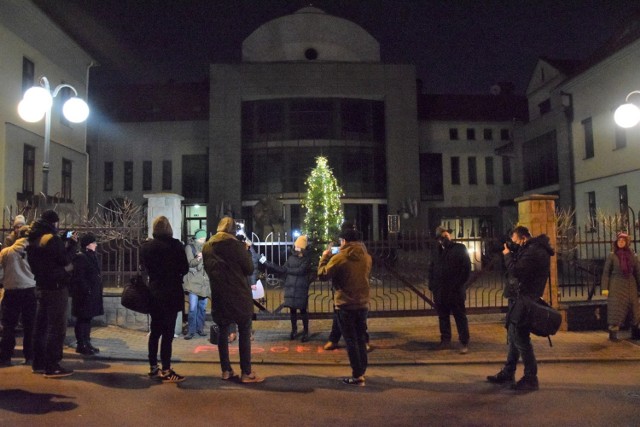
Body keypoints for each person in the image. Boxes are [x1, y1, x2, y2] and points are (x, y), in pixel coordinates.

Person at [487, 225, 555, 391]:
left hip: (526, 300)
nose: (513, 243)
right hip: (521, 298)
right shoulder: (531, 249)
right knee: (513, 335)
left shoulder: (534, 252)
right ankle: (509, 372)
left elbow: (516, 271)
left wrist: (507, 255)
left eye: (515, 240)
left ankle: (531, 377)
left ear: (523, 238)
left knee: (520, 337)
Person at [202, 217, 264, 384]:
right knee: (244, 331)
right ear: (232, 231)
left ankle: (226, 370)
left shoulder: (207, 246)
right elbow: (249, 269)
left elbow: (207, 268)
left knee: (222, 332)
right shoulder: (236, 246)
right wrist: (245, 251)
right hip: (239, 295)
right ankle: (246, 372)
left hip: (219, 295)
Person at [318, 228, 372, 387]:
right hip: (362, 304)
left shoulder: (340, 258)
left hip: (345, 304)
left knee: (351, 340)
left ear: (345, 241)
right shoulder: (367, 257)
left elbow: (322, 275)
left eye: (341, 241)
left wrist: (323, 258)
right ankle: (362, 370)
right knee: (361, 338)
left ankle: (357, 375)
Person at [27, 210, 76, 378]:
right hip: (56, 287)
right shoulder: (52, 239)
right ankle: (52, 366)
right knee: (56, 327)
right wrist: (72, 246)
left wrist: (62, 242)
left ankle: (38, 363)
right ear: (54, 223)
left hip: (41, 285)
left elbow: (46, 257)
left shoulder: (35, 238)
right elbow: (65, 260)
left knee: (40, 327)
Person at [140, 216, 189, 383]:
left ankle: (153, 367)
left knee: (155, 332)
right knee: (168, 334)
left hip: (154, 293)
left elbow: (144, 268)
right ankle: (166, 369)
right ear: (169, 228)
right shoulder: (175, 245)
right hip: (171, 292)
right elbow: (185, 268)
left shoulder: (146, 247)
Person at [428, 226, 471, 354]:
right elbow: (432, 268)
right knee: (443, 317)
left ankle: (464, 342)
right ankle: (445, 340)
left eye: (446, 236)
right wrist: (432, 285)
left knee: (460, 316)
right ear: (438, 240)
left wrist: (458, 284)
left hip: (455, 291)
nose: (445, 239)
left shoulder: (459, 248)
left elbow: (466, 269)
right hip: (440, 291)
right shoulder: (436, 251)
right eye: (442, 237)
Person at [262, 235, 311, 342]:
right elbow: (283, 269)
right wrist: (268, 264)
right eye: (296, 246)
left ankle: (306, 331)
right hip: (291, 287)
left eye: (299, 246)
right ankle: (294, 330)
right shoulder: (291, 258)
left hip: (300, 287)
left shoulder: (306, 259)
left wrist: (288, 270)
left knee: (303, 310)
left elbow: (300, 271)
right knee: (292, 310)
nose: (297, 248)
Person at [0, 225, 36, 366]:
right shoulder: (34, 251)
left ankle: (6, 356)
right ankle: (30, 357)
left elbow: (1, 274)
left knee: (9, 325)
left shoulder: (6, 252)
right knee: (30, 325)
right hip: (29, 290)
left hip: (11, 291)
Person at [600, 232, 640, 342]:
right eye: (619, 241)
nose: (621, 242)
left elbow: (637, 272)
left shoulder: (633, 255)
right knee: (616, 309)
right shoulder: (612, 256)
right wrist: (605, 288)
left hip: (630, 285)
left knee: (634, 309)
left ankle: (635, 331)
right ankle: (613, 333)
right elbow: (606, 273)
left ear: (627, 242)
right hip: (616, 284)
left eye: (623, 241)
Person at [70, 233, 104, 355]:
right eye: (94, 242)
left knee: (87, 319)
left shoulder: (92, 255)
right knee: (82, 319)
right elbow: (79, 277)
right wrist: (87, 289)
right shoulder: (81, 257)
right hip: (84, 295)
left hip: (91, 293)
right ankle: (81, 344)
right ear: (89, 244)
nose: (96, 244)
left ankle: (87, 343)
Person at [183, 229, 211, 340]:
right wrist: (199, 258)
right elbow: (191, 263)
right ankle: (191, 331)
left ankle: (200, 329)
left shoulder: (207, 248)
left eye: (204, 239)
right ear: (196, 238)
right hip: (193, 282)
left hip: (204, 282)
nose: (202, 241)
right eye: (200, 239)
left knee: (202, 308)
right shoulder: (190, 248)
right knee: (193, 308)